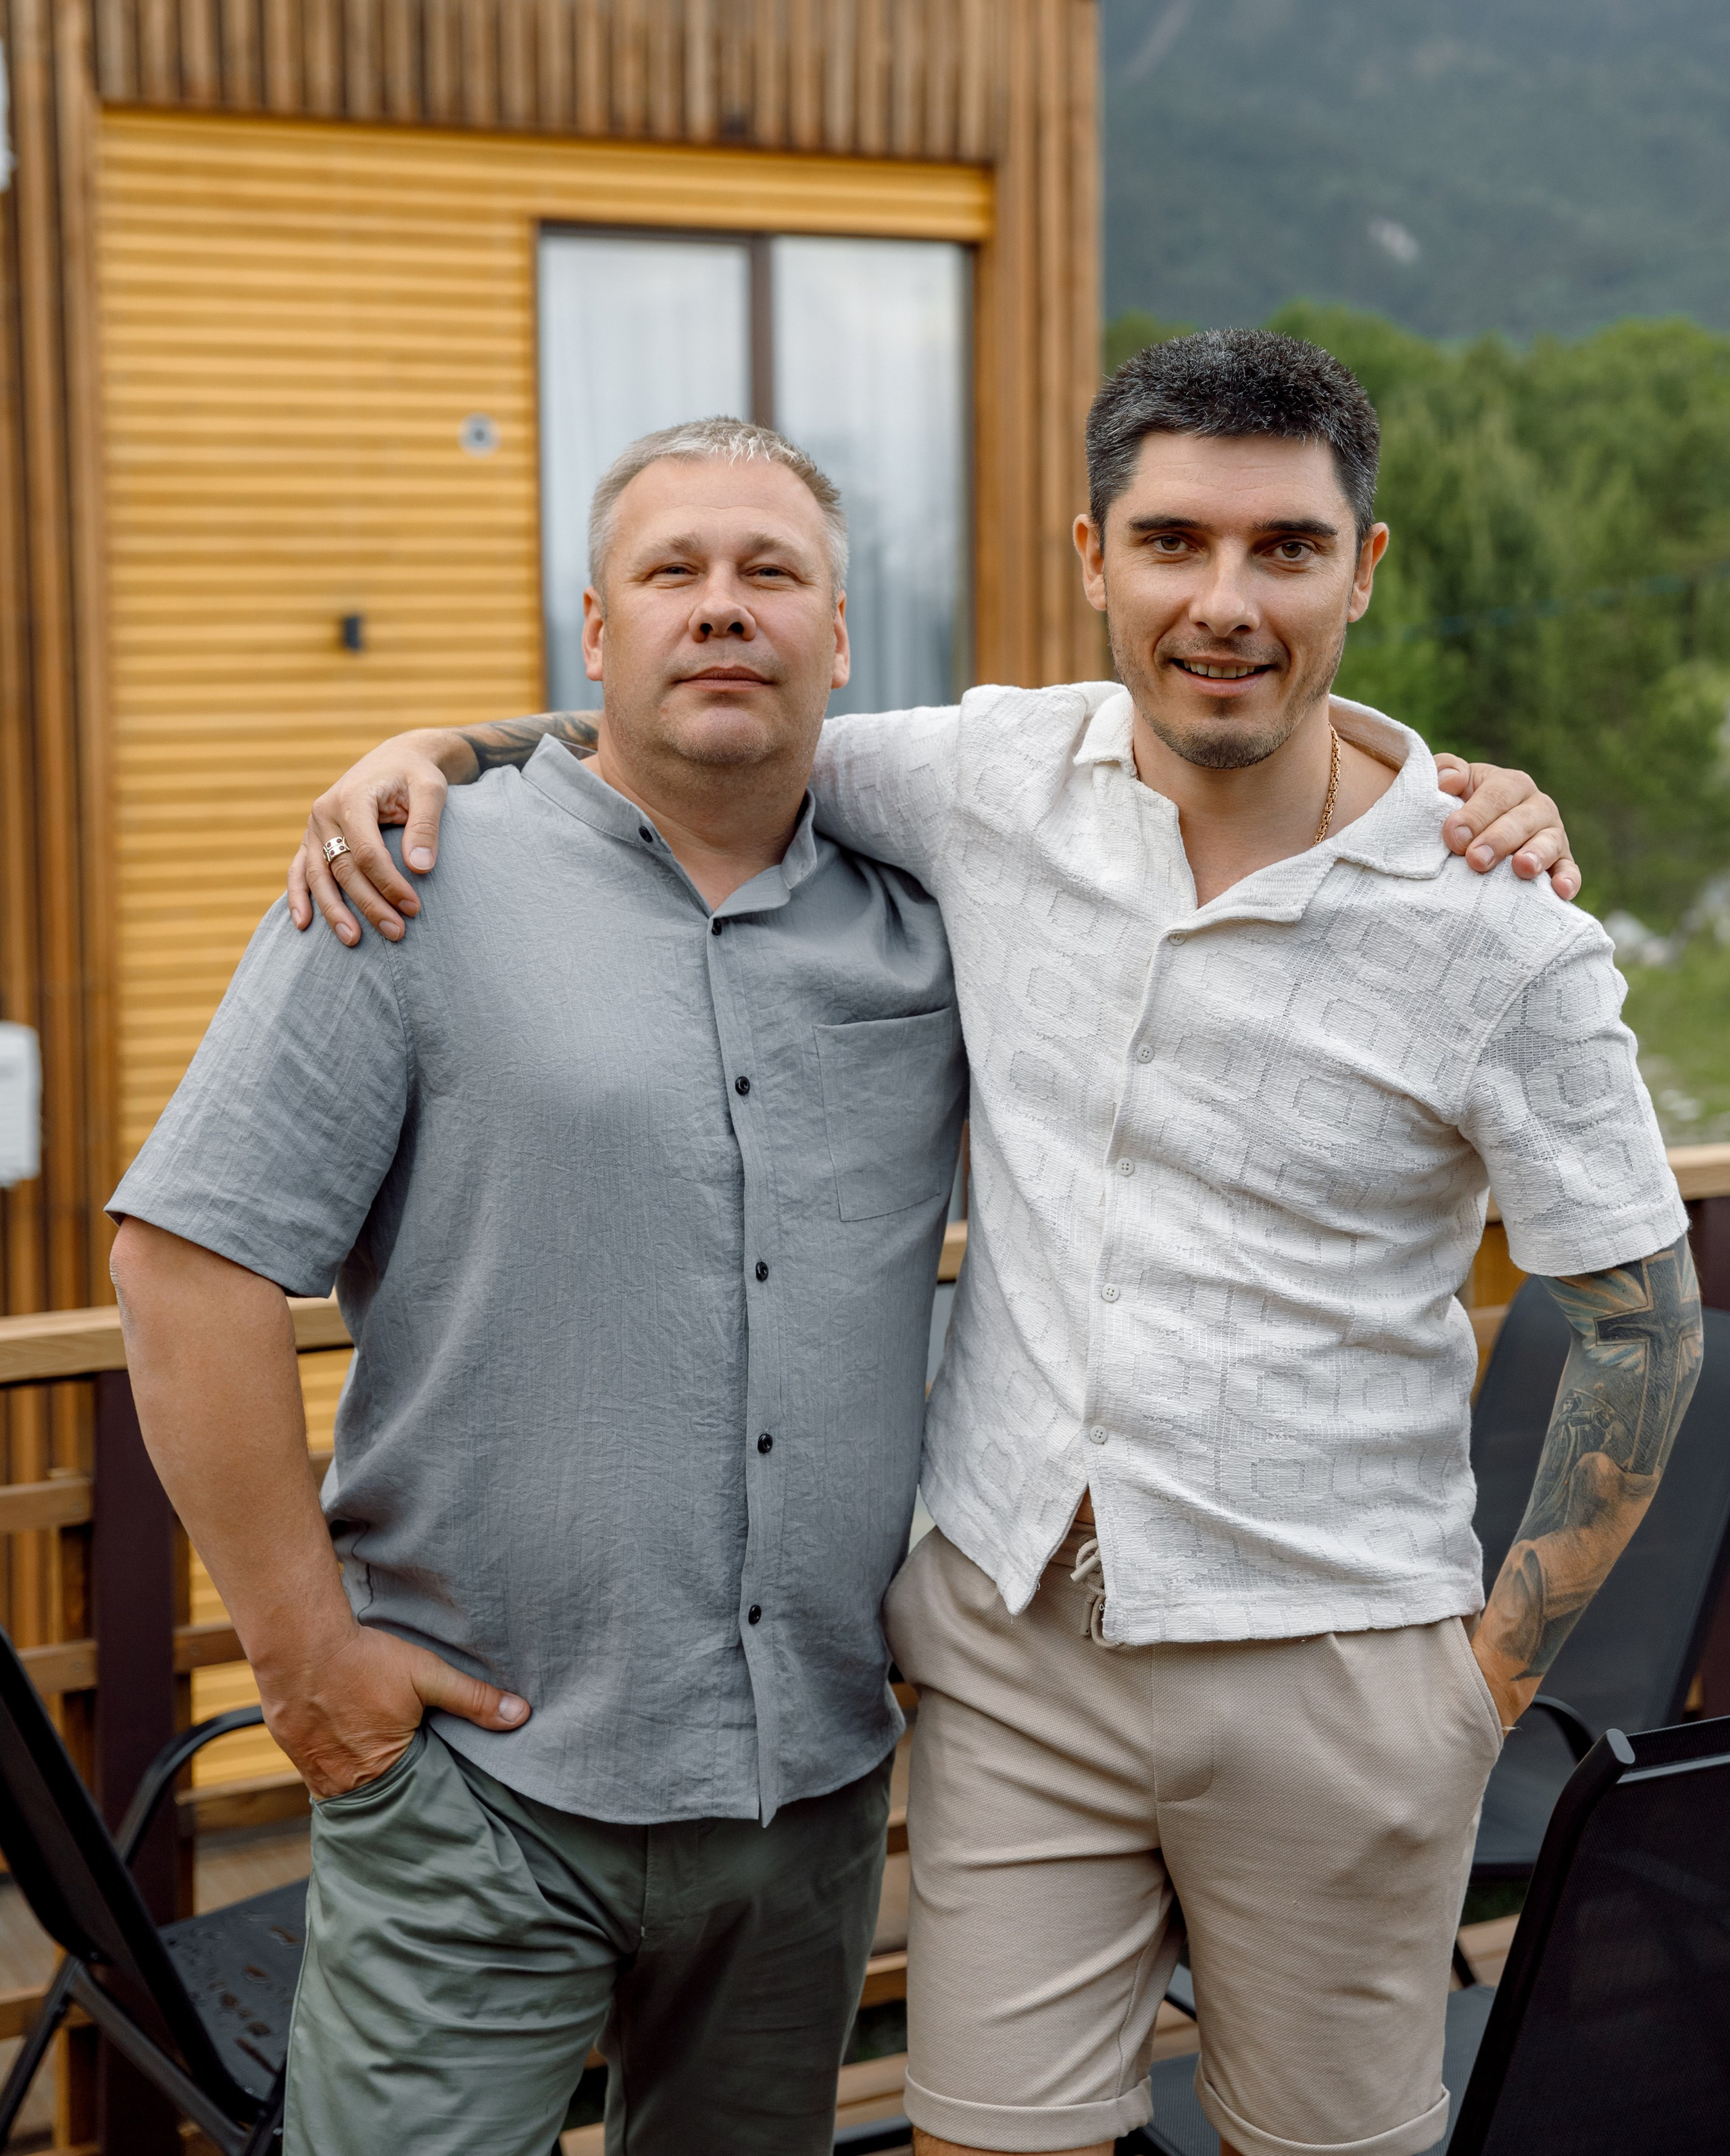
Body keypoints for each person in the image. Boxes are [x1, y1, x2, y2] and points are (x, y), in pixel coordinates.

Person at [288, 335, 1657, 2156]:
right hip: (1014, 1655)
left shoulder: (1501, 929)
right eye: (1172, 542)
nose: (1224, 602)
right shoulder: (984, 778)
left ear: (1365, 567)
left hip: (1339, 1675)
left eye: (1285, 550)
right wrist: (435, 745)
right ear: (1094, 557)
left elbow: (1645, 1326)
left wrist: (1481, 1683)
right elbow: (712, 725)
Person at [108, 419, 969, 2156]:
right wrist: (303, 1666)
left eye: (770, 574)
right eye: (674, 574)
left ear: (840, 637)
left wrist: (1434, 777)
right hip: (476, 1795)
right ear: (596, 632)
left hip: (806, 1791)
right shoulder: (413, 875)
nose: (721, 610)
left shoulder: (938, 915)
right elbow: (185, 1262)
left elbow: (1198, 767)